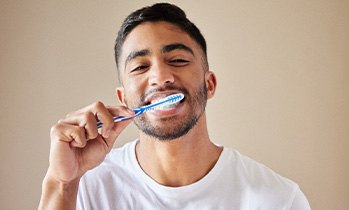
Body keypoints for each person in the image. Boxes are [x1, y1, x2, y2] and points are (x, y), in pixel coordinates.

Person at [39, 3, 311, 210]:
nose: (160, 77)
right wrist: (62, 184)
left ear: (210, 84)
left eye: (178, 60)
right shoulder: (87, 188)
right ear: (123, 99)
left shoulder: (279, 200)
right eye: (140, 67)